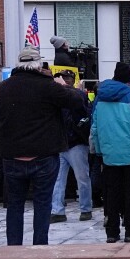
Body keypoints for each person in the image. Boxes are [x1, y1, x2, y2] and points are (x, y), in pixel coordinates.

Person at [0, 48, 89, 246]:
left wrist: (3, 144)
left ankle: (14, 249)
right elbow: (78, 101)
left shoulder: (5, 87)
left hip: (13, 156)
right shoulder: (48, 86)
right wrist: (64, 86)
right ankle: (39, 248)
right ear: (38, 64)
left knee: (14, 205)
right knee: (43, 204)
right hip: (44, 155)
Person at [91, 62, 130, 243]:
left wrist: (99, 151)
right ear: (129, 80)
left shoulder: (100, 98)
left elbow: (95, 128)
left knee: (111, 194)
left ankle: (112, 232)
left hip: (108, 155)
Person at [51, 71, 93, 223]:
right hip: (66, 142)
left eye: (67, 78)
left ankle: (84, 208)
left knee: (79, 178)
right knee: (61, 179)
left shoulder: (75, 95)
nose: (65, 80)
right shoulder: (67, 96)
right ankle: (59, 210)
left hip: (72, 142)